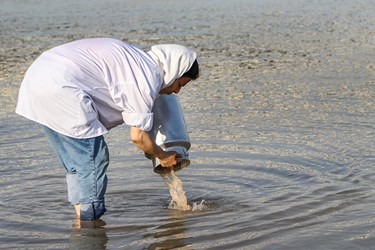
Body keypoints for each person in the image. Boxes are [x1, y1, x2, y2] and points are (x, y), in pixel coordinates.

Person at [15, 38, 199, 221]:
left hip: (37, 81)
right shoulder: (145, 77)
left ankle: (80, 219)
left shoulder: (137, 61)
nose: (176, 92)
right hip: (62, 89)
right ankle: (90, 225)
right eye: (180, 84)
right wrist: (163, 155)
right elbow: (138, 137)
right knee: (94, 160)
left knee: (75, 165)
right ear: (174, 71)